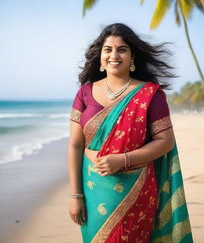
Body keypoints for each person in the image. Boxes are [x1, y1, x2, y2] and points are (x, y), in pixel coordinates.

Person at [68, 23, 193, 243]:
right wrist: (76, 195)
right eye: (108, 49)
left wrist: (122, 160)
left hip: (136, 191)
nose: (114, 55)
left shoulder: (150, 94)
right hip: (92, 191)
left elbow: (165, 141)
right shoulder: (85, 93)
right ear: (100, 56)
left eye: (122, 49)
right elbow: (75, 145)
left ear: (132, 56)